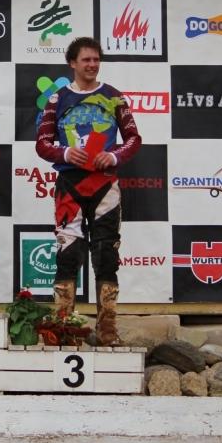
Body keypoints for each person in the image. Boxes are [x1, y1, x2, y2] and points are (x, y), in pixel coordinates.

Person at [35, 37, 141, 346]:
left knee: (107, 254)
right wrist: (66, 153)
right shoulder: (58, 99)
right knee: (68, 254)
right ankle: (63, 329)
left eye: (96, 60)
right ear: (72, 63)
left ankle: (107, 330)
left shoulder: (113, 96)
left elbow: (133, 138)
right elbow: (42, 143)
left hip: (104, 185)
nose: (92, 65)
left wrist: (114, 156)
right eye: (86, 60)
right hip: (70, 185)